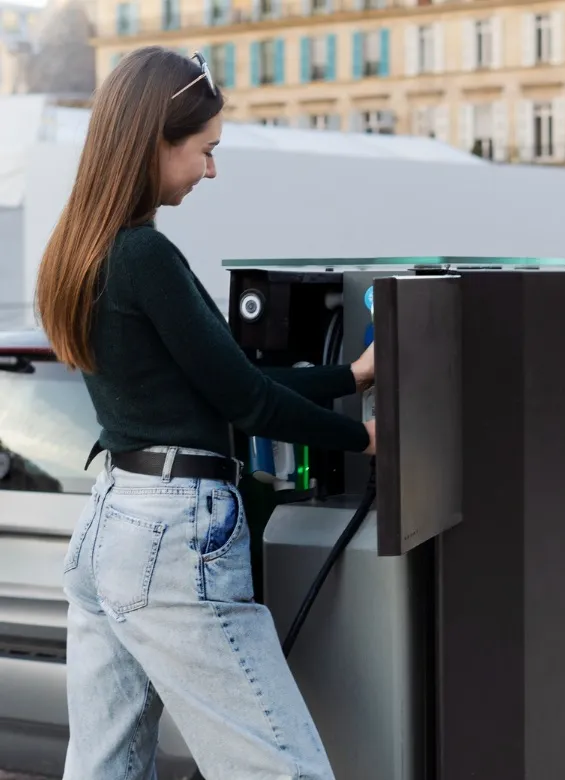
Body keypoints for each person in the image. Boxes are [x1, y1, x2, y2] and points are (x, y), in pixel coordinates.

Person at [35, 46, 375, 780]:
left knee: (101, 769)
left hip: (110, 525)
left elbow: (223, 376)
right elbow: (247, 401)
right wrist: (364, 435)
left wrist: (347, 373)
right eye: (205, 151)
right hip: (172, 538)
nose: (211, 171)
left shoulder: (77, 250)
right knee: (282, 768)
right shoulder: (144, 257)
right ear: (155, 140)